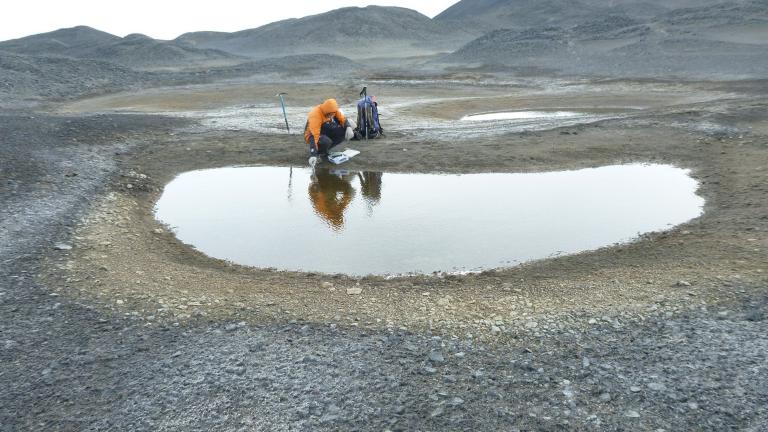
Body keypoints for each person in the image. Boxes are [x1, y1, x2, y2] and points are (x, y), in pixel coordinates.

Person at [304, 98, 355, 167]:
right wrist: (313, 154)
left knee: (343, 131)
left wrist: (348, 127)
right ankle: (318, 153)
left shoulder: (333, 110)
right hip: (311, 134)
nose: (331, 116)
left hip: (324, 128)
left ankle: (324, 150)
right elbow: (314, 136)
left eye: (332, 114)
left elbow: (343, 119)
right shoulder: (315, 115)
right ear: (326, 111)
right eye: (330, 114)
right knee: (326, 141)